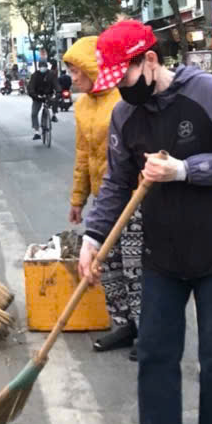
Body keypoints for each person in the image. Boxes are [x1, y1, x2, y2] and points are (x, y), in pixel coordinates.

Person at [79, 20, 212, 424]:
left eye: (124, 77)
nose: (121, 90)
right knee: (156, 348)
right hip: (162, 251)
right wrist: (92, 238)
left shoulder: (209, 93)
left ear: (150, 61)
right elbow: (116, 184)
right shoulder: (125, 115)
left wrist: (186, 169)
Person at [62, 36, 142, 358]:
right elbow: (83, 153)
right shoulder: (81, 106)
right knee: (108, 265)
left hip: (134, 198)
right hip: (104, 197)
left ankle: (147, 329)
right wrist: (78, 198)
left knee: (135, 267)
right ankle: (123, 325)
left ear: (91, 68)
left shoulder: (122, 100)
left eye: (76, 72)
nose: (72, 78)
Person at [29, 61, 58, 139]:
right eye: (41, 66)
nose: (43, 68)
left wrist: (58, 92)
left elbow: (56, 85)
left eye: (44, 66)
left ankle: (54, 115)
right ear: (39, 67)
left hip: (49, 95)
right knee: (34, 113)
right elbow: (31, 88)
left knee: (56, 100)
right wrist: (35, 96)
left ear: (47, 67)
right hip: (37, 96)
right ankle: (37, 131)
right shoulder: (35, 75)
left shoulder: (51, 74)